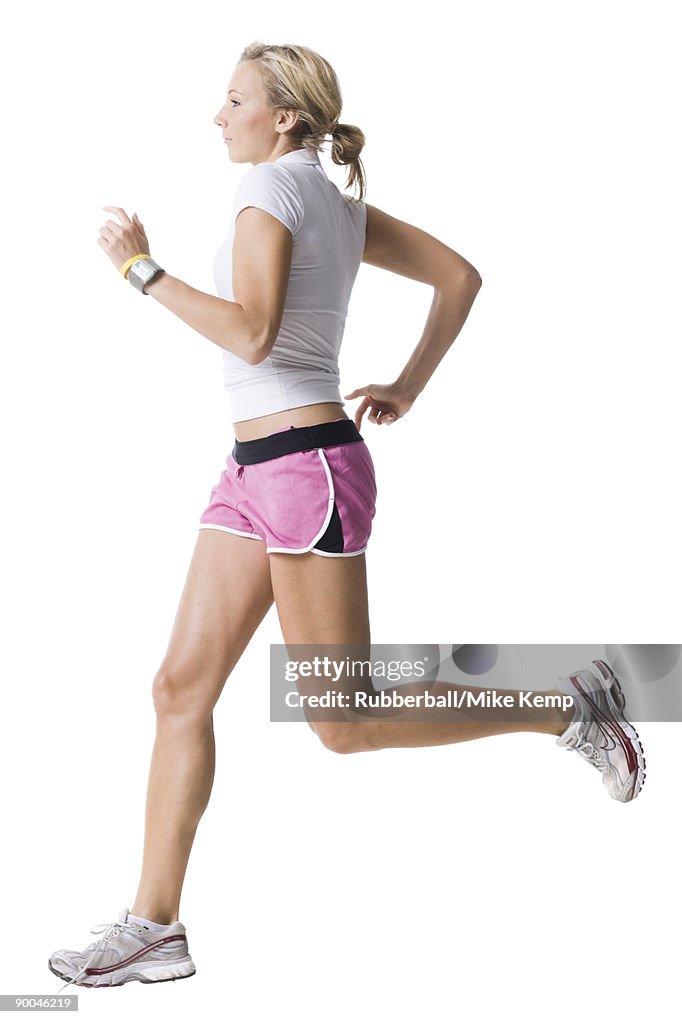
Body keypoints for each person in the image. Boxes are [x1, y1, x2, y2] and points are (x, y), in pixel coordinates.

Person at [48, 41, 646, 991]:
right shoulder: (331, 200)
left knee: (343, 720)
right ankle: (153, 926)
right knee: (178, 689)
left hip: (306, 470)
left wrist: (141, 271)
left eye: (234, 98)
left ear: (284, 115)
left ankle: (566, 702)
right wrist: (406, 386)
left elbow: (251, 329)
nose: (218, 115)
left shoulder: (269, 196)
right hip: (255, 466)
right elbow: (462, 277)